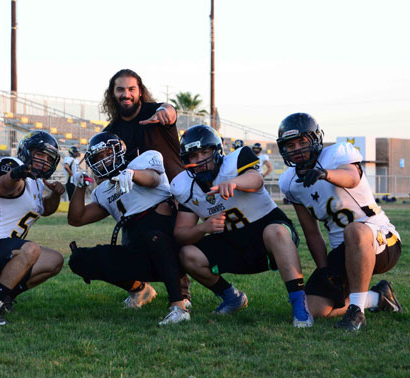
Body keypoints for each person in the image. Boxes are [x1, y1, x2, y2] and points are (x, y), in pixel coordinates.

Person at [171, 125, 313, 328]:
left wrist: (235, 183)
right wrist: (203, 229)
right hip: (231, 242)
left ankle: (300, 303)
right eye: (194, 155)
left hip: (266, 234)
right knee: (186, 253)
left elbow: (256, 180)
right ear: (186, 159)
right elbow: (181, 233)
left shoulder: (236, 160)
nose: (200, 159)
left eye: (205, 152)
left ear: (217, 151)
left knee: (278, 231)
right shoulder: (184, 185)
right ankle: (232, 297)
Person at [277, 113, 402, 331]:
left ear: (315, 139)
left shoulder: (336, 154)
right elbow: (312, 232)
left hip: (380, 240)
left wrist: (326, 174)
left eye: (302, 142)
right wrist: (325, 270)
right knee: (314, 309)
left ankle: (356, 312)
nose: (296, 149)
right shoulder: (289, 182)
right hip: (343, 252)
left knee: (354, 230)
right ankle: (378, 297)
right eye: (290, 145)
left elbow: (352, 177)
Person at [67, 132, 189, 325]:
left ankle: (178, 306)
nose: (102, 161)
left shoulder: (145, 160)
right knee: (79, 259)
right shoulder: (104, 191)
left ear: (119, 150)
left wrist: (133, 175)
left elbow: (154, 179)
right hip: (137, 250)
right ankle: (140, 289)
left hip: (172, 248)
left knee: (154, 237)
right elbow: (76, 219)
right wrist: (79, 187)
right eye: (97, 158)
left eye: (106, 154)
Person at [101, 68, 191, 301]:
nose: (126, 94)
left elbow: (169, 111)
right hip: (137, 199)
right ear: (113, 93)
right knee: (133, 252)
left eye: (131, 89)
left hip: (171, 193)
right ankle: (140, 290)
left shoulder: (154, 112)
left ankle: (182, 295)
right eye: (120, 89)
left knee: (171, 247)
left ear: (140, 91)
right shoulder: (111, 131)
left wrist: (166, 113)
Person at [0, 131, 65, 325]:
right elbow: (5, 186)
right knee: (31, 248)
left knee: (55, 260)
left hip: (3, 253)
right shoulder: (13, 166)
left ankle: (0, 297)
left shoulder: (37, 182)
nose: (43, 161)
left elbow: (45, 210)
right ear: (26, 152)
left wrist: (56, 195)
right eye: (39, 154)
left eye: (48, 158)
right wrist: (18, 174)